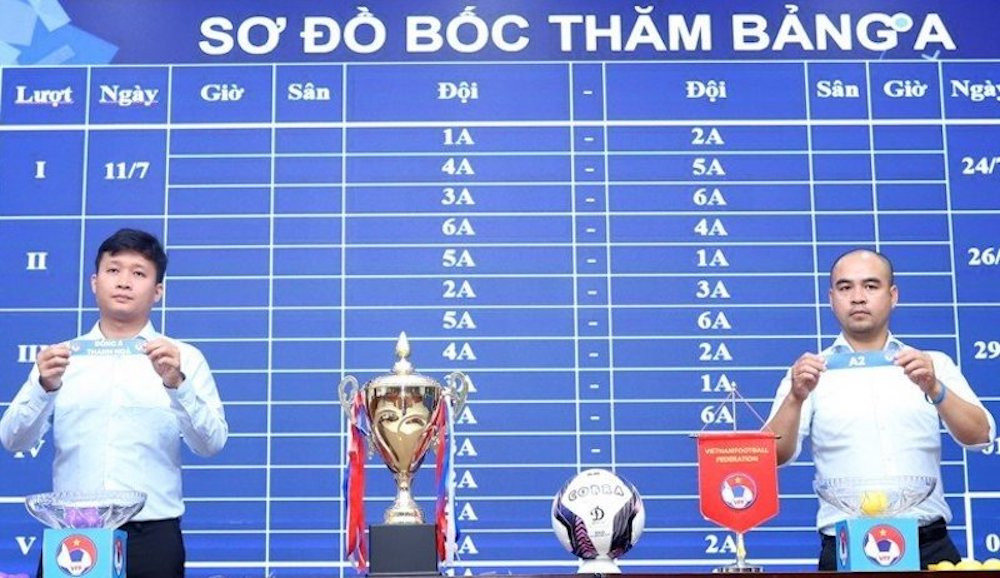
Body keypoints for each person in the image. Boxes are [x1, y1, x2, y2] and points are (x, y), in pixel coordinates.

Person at [1, 228, 228, 578]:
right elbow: (13, 440)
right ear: (94, 283)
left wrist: (177, 384)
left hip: (152, 535)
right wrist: (43, 387)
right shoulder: (60, 359)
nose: (124, 282)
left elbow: (211, 444)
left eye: (138, 273)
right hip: (74, 534)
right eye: (113, 270)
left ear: (158, 291)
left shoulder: (184, 359)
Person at [764, 248, 995, 571]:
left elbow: (981, 436)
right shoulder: (809, 372)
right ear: (831, 299)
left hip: (929, 547)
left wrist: (935, 388)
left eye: (871, 286)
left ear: (893, 295)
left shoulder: (932, 364)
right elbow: (769, 457)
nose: (858, 297)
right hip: (845, 548)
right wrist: (795, 398)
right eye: (845, 287)